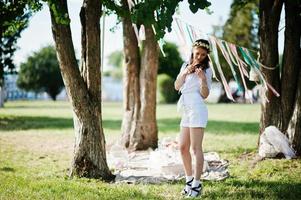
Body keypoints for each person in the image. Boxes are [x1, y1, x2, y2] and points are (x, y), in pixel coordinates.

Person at [174, 39, 213, 198]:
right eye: (197, 53)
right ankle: (189, 180)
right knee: (182, 147)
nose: (199, 57)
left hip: (197, 108)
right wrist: (185, 72)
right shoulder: (185, 65)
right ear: (193, 50)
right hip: (186, 109)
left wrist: (203, 79)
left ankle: (197, 185)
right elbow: (177, 86)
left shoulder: (207, 70)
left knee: (195, 148)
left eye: (203, 55)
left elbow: (205, 95)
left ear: (206, 55)